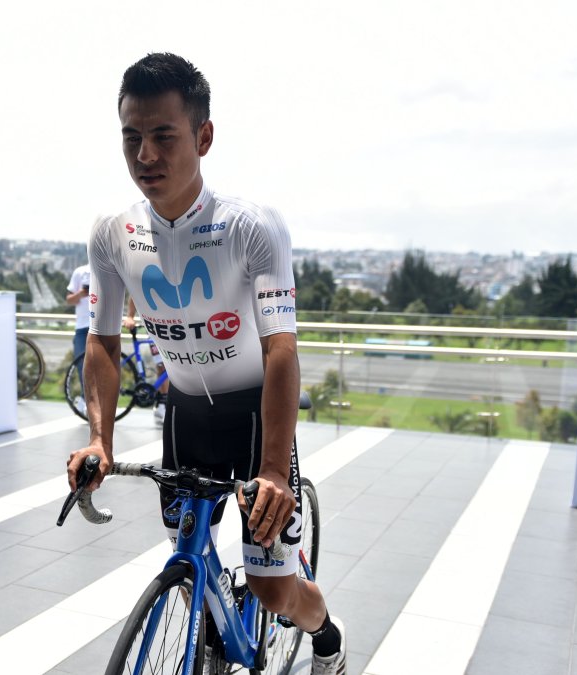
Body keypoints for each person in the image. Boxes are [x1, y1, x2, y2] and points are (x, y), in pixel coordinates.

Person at [66, 53, 346, 673]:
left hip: (255, 420)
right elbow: (103, 344)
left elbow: (281, 349)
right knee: (190, 565)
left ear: (204, 136)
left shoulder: (251, 227)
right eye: (131, 138)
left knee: (273, 589)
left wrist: (274, 468)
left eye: (163, 136)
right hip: (185, 414)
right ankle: (220, 628)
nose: (145, 156)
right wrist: (98, 439)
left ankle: (325, 632)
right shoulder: (112, 235)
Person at [123, 296, 169, 424]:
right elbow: (134, 292)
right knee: (163, 366)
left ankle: (163, 404)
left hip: (175, 325)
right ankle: (162, 405)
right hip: (156, 329)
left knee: (169, 367)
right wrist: (130, 316)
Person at [65, 263, 91, 411]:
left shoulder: (107, 269)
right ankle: (85, 398)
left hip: (102, 326)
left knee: (101, 366)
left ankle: (90, 400)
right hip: (82, 326)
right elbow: (69, 300)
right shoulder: (79, 272)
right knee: (82, 365)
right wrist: (81, 293)